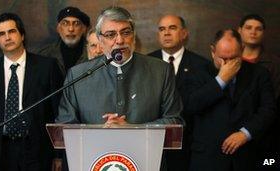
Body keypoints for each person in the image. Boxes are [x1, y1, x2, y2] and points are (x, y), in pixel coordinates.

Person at [56, 7, 183, 170]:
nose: (120, 40)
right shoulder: (77, 74)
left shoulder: (161, 71)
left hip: (146, 162)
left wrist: (132, 129)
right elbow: (65, 126)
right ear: (100, 40)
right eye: (110, 35)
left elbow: (175, 121)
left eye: (126, 32)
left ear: (134, 36)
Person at [0, 13, 63, 171]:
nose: (7, 37)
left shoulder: (47, 67)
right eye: (1, 34)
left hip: (37, 150)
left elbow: (58, 112)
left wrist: (58, 155)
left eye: (12, 31)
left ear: (22, 35)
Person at [188, 29, 276, 171]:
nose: (228, 64)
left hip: (246, 157)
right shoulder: (197, 72)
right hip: (208, 159)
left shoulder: (259, 74)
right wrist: (221, 80)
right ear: (212, 51)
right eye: (223, 58)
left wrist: (245, 133)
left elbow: (268, 110)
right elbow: (191, 105)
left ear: (242, 50)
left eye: (233, 58)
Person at [148, 14, 210, 171]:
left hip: (189, 146)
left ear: (184, 33)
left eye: (172, 28)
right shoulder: (145, 62)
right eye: (162, 29)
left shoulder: (202, 65)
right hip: (152, 143)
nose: (166, 33)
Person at [238, 13, 280, 163]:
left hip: (264, 135)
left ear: (264, 33)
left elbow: (272, 102)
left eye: (258, 29)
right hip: (231, 131)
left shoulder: (275, 64)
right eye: (248, 28)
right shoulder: (228, 58)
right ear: (240, 30)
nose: (253, 32)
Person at [36, 6, 90, 76]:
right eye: (65, 23)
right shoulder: (45, 54)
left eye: (76, 24)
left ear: (84, 29)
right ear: (58, 28)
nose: (71, 29)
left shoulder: (93, 52)